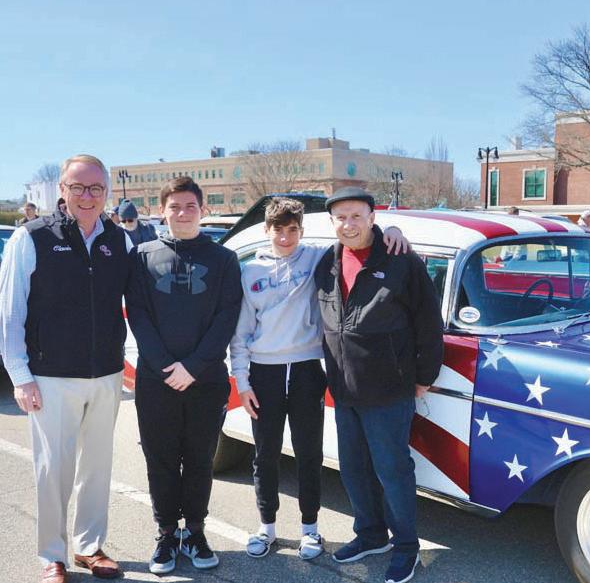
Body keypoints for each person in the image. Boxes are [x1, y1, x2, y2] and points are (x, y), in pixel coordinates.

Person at [229, 197, 408, 561]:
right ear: (267, 230)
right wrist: (242, 382)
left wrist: (391, 228)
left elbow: (356, 237)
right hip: (264, 373)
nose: (285, 237)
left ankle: (310, 529)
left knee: (308, 452)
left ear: (302, 231)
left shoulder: (317, 257)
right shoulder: (250, 272)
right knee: (265, 454)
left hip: (308, 369)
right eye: (278, 230)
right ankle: (267, 528)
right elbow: (241, 331)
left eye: (292, 230)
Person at [0, 154, 131, 583]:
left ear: (106, 192)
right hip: (51, 376)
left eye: (95, 188)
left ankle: (89, 547)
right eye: (78, 187)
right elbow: (10, 313)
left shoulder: (119, 239)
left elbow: (132, 305)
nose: (87, 196)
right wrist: (19, 375)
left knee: (97, 467)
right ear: (62, 190)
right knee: (53, 469)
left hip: (107, 375)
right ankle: (52, 556)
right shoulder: (32, 237)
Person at [314, 187, 443, 583]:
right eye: (341, 218)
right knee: (353, 468)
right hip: (344, 388)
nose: (348, 224)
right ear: (332, 222)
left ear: (372, 217)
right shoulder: (326, 262)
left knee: (392, 471)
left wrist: (425, 376)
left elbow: (428, 321)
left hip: (389, 388)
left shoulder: (402, 260)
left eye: (356, 216)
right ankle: (370, 535)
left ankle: (406, 547)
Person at [126, 176, 242, 575]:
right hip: (155, 379)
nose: (182, 213)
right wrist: (164, 366)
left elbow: (228, 316)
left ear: (203, 210)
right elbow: (138, 314)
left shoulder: (223, 259)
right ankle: (165, 533)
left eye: (190, 206)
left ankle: (194, 531)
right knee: (159, 458)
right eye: (174, 206)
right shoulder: (142, 256)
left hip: (205, 379)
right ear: (162, 211)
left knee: (198, 458)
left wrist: (193, 367)